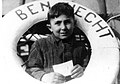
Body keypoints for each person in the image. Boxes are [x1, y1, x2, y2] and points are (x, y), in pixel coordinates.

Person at [25, 2, 91, 84]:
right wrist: (44, 76)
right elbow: (31, 68)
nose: (63, 27)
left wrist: (82, 70)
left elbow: (89, 65)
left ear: (74, 23)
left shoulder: (80, 46)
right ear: (50, 27)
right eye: (58, 23)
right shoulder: (40, 45)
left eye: (67, 22)